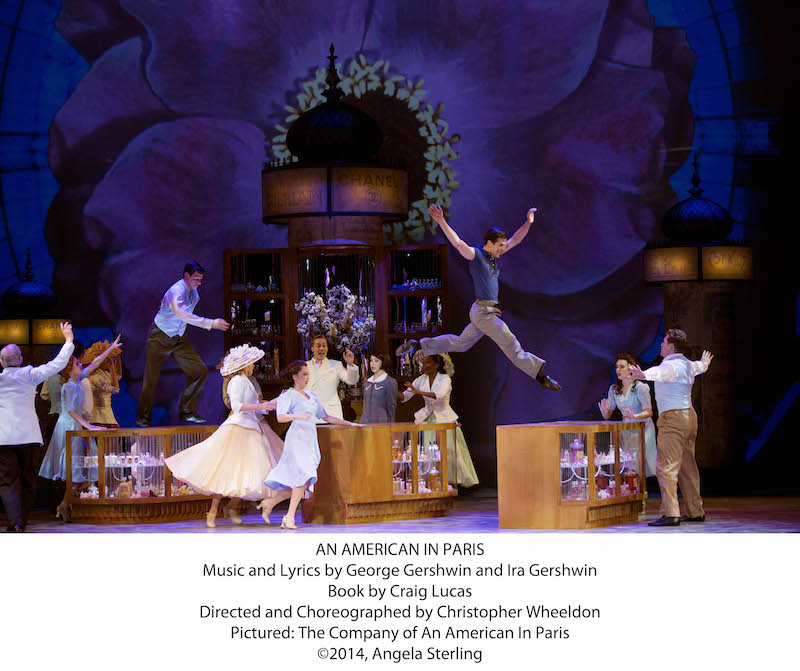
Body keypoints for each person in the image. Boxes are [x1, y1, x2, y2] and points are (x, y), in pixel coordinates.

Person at [421, 204, 561, 392]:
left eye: (503, 246)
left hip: (483, 311)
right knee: (511, 344)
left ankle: (422, 344)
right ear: (489, 243)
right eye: (500, 246)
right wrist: (441, 221)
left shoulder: (494, 257)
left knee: (462, 344)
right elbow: (457, 242)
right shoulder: (476, 256)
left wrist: (528, 223)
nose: (503, 248)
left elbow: (515, 240)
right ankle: (540, 376)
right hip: (483, 313)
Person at [165, 345, 283, 528]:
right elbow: (236, 406)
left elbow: (252, 404)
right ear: (244, 364)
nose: (253, 366)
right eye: (251, 363)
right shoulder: (237, 381)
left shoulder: (246, 380)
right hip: (238, 428)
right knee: (224, 470)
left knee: (242, 473)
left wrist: (270, 404)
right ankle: (212, 512)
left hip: (251, 427)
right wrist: (260, 406)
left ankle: (230, 507)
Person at [257, 360, 362, 529]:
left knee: (305, 481)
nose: (307, 378)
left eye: (308, 374)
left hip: (310, 440)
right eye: (304, 374)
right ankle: (289, 517)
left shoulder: (312, 397)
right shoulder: (287, 396)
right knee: (304, 475)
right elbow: (280, 417)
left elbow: (326, 417)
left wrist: (349, 424)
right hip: (296, 440)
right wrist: (297, 415)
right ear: (294, 377)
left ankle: (271, 502)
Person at [629, 329, 713, 527]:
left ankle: (671, 513)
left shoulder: (671, 365)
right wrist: (706, 363)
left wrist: (643, 374)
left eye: (664, 342)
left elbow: (660, 373)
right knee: (687, 466)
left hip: (673, 419)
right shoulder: (687, 364)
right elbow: (700, 367)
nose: (661, 344)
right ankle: (694, 511)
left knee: (666, 467)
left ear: (672, 346)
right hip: (689, 417)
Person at [0, 323, 76, 532]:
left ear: (1, 362)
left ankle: (16, 522)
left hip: (5, 438)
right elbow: (58, 363)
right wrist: (68, 340)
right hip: (30, 437)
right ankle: (19, 523)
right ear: (21, 360)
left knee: (8, 482)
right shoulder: (30, 375)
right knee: (27, 481)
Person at [38, 336, 122, 522]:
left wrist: (111, 349)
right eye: (77, 363)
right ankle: (65, 505)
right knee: (71, 467)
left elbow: (95, 362)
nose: (81, 364)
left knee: (77, 468)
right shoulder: (68, 386)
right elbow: (71, 411)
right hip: (69, 425)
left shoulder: (78, 379)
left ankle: (66, 505)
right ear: (69, 369)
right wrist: (90, 426)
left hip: (76, 425)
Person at [136, 261, 230, 427]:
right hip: (160, 337)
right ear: (186, 276)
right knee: (151, 379)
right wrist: (211, 323)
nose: (198, 282)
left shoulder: (194, 293)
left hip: (178, 338)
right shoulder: (176, 291)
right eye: (195, 278)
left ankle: (187, 410)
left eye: (200, 279)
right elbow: (183, 314)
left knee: (199, 370)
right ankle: (143, 418)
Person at [401, 354, 478, 488]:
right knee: (428, 453)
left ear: (436, 365)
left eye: (428, 362)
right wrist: (387, 386)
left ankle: (449, 482)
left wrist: (418, 392)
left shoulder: (445, 379)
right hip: (428, 419)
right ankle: (432, 481)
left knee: (448, 452)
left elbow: (439, 395)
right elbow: (405, 396)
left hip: (444, 418)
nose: (424, 365)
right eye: (423, 362)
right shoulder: (421, 379)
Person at [598, 354, 657, 478]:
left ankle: (640, 493)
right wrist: (605, 413)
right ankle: (631, 492)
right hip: (626, 430)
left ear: (630, 368)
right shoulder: (614, 389)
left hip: (642, 428)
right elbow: (609, 413)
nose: (618, 370)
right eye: (617, 367)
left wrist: (635, 416)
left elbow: (649, 411)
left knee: (637, 463)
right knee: (627, 464)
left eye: (622, 367)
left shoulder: (641, 387)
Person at [306, 334, 359, 421]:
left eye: (324, 346)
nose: (321, 348)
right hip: (311, 413)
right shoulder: (305, 366)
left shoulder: (336, 364)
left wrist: (350, 364)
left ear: (327, 349)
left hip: (331, 413)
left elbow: (351, 381)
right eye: (318, 346)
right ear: (312, 348)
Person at [81, 340, 123, 428]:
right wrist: (111, 366)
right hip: (99, 419)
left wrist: (118, 358)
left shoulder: (103, 373)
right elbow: (115, 390)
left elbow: (117, 376)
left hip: (107, 417)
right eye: (108, 358)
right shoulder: (95, 376)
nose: (110, 359)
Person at [360, 352, 398, 423]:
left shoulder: (389, 382)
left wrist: (390, 426)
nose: (372, 363)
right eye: (371, 360)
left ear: (383, 362)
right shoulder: (367, 382)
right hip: (365, 424)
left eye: (376, 361)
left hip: (381, 424)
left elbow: (391, 407)